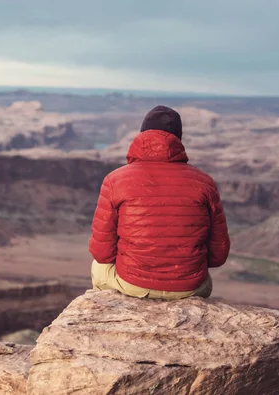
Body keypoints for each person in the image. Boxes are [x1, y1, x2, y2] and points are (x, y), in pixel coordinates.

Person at [89, 105, 230, 299]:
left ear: (142, 135)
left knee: (99, 267)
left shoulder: (115, 180)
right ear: (178, 140)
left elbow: (102, 252)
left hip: (133, 285)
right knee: (206, 280)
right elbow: (218, 255)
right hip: (189, 288)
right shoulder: (204, 182)